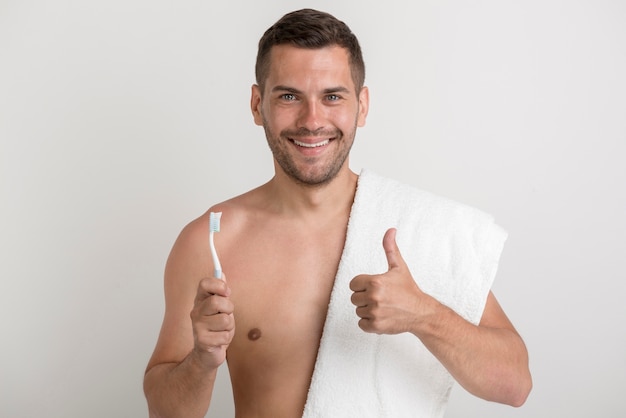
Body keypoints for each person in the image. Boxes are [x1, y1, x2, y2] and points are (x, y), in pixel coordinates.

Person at [143, 8, 532, 418]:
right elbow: (164, 412)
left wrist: (424, 315)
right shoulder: (213, 243)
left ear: (361, 106)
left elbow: (515, 384)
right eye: (289, 96)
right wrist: (202, 360)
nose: (313, 121)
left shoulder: (419, 230)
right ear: (258, 105)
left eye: (332, 96)